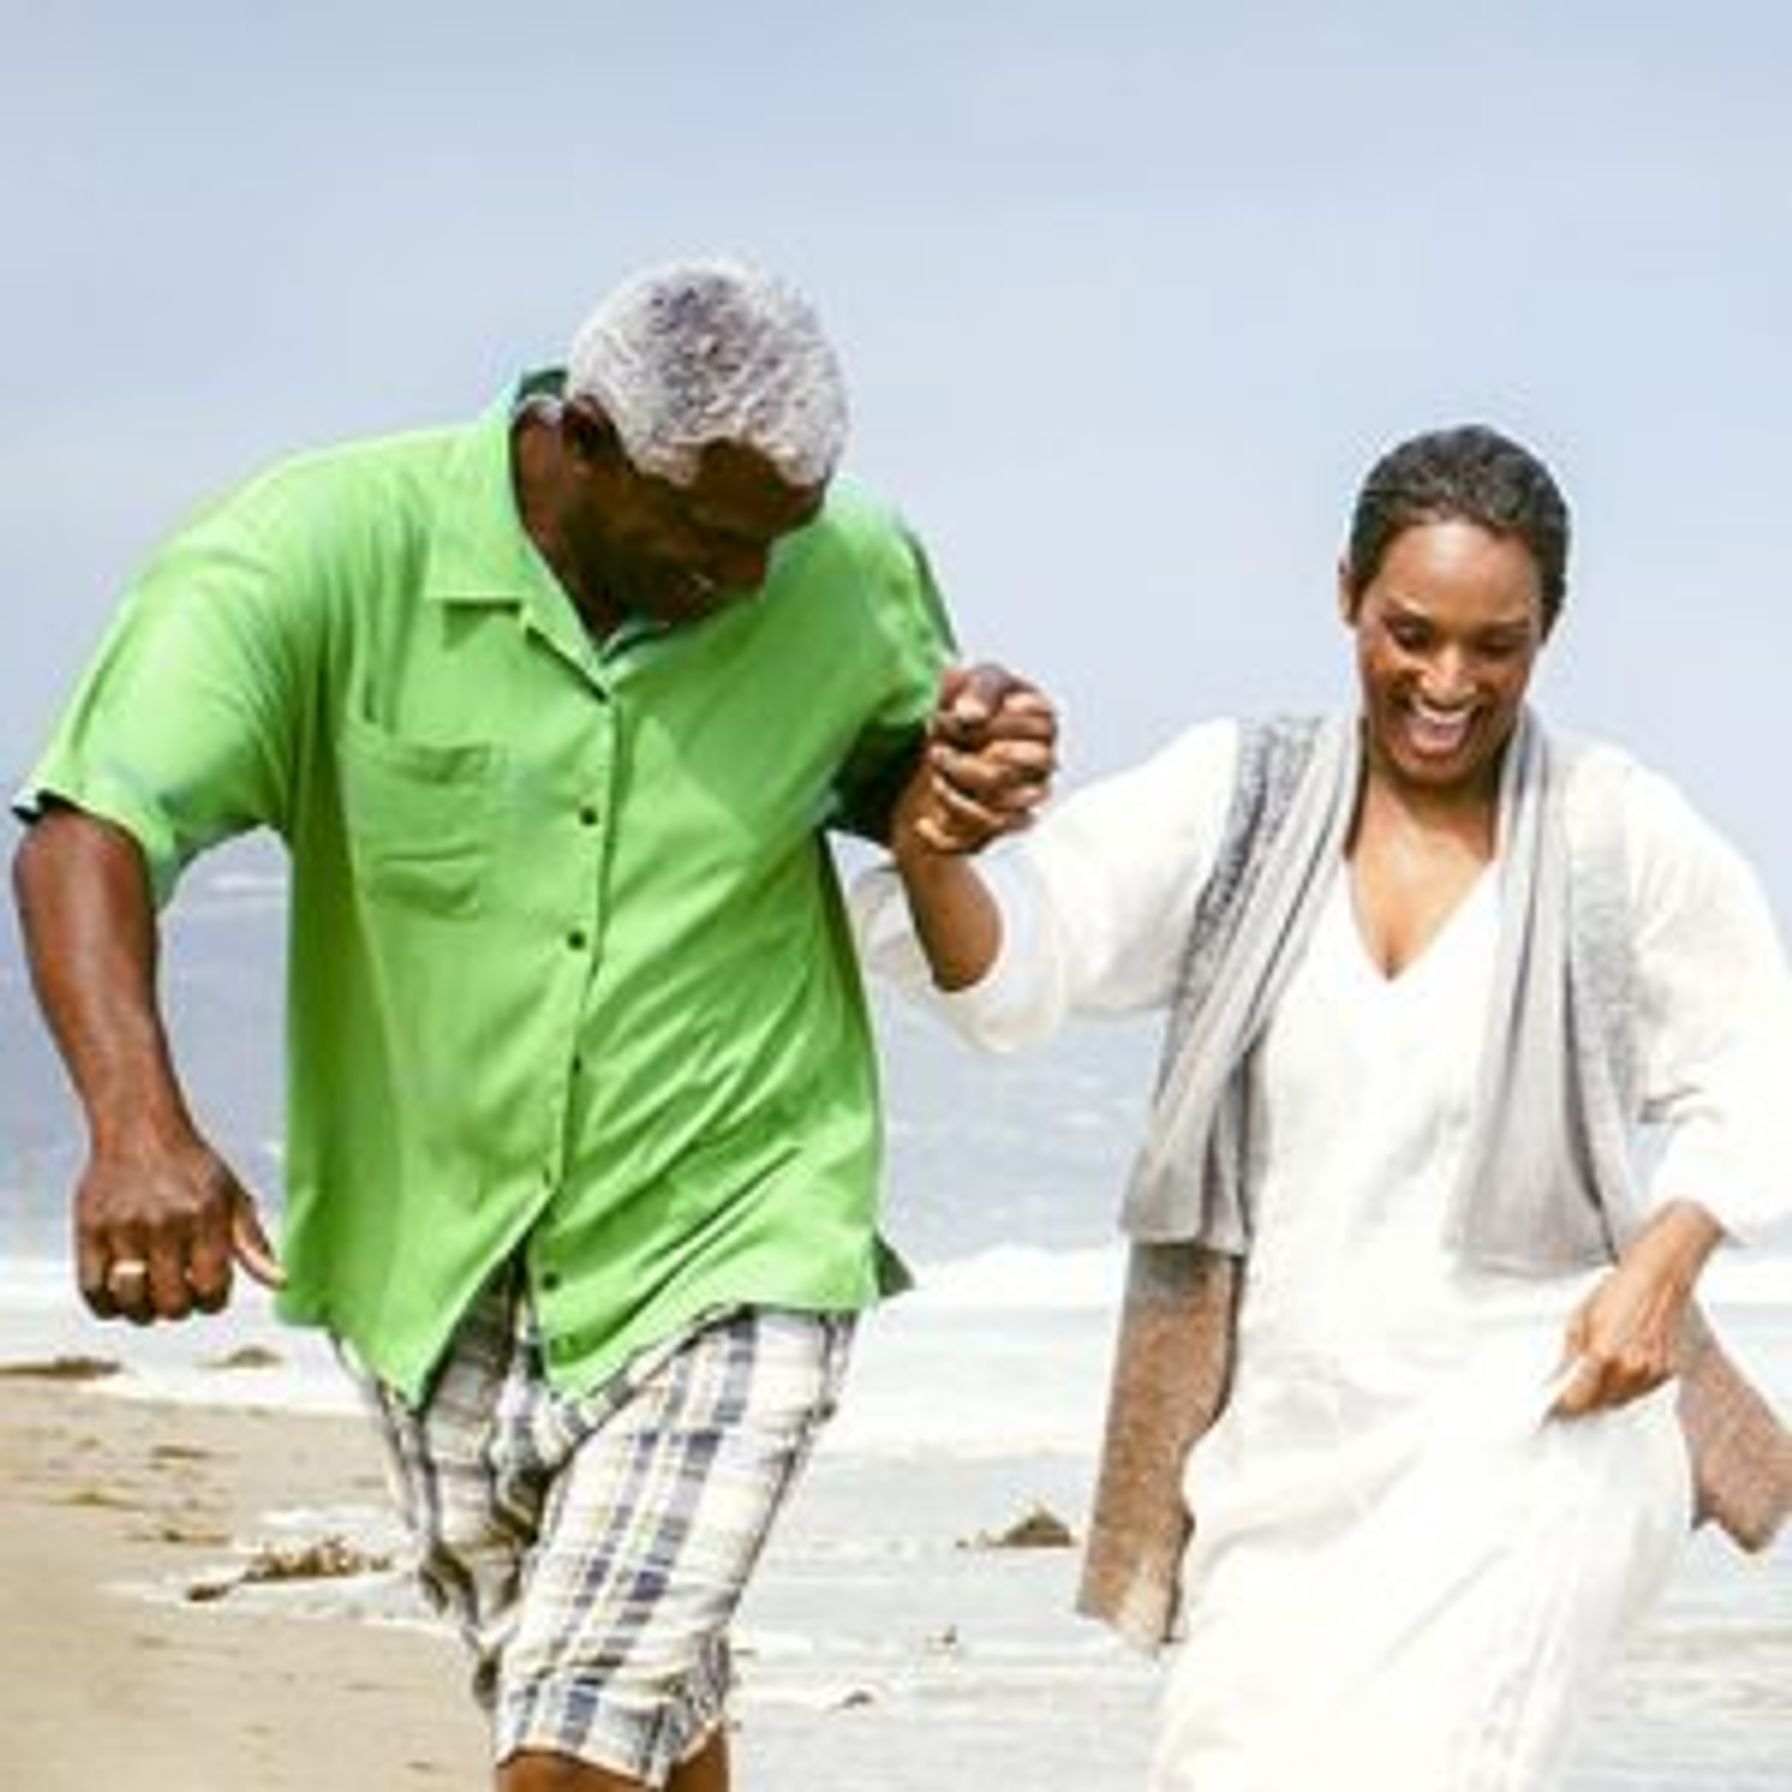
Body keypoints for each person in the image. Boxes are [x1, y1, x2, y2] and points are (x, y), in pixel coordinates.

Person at [10, 259, 1048, 1792]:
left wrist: (963, 778)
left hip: (740, 1221)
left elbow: (906, 785)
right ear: (581, 441)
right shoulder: (313, 553)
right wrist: (137, 1124)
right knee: (626, 1704)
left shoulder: (847, 566)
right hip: (437, 1260)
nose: (751, 580)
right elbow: (89, 828)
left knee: (567, 1743)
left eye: (781, 541)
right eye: (708, 534)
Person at [861, 423, 1792, 1789]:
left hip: (1539, 1442)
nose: (1448, 682)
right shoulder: (1236, 803)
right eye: (1411, 633)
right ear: (1347, 591)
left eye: (1498, 646)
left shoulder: (1613, 831)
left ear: (1552, 632)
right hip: (1280, 1460)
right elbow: (1025, 956)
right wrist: (934, 850)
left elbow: (1761, 1066)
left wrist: (1662, 1264)